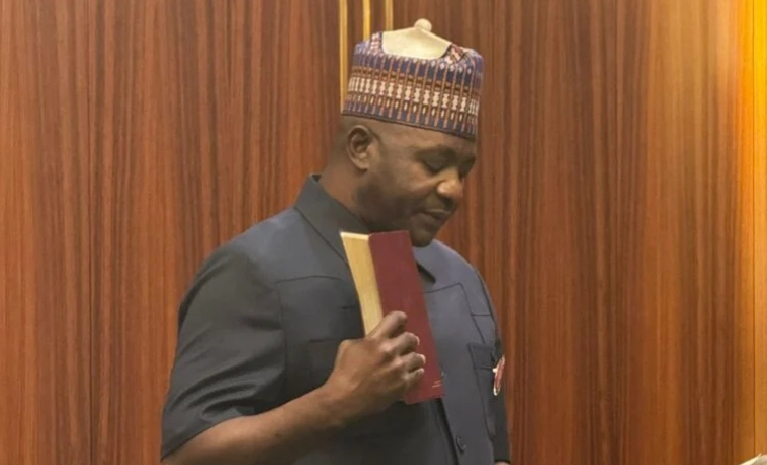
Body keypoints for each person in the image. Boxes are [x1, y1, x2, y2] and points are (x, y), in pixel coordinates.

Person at [160, 19, 511, 465]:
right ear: (361, 147)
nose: (454, 190)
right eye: (433, 164)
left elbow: (492, 445)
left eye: (463, 170)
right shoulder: (254, 272)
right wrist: (335, 404)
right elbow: (187, 455)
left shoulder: (461, 278)